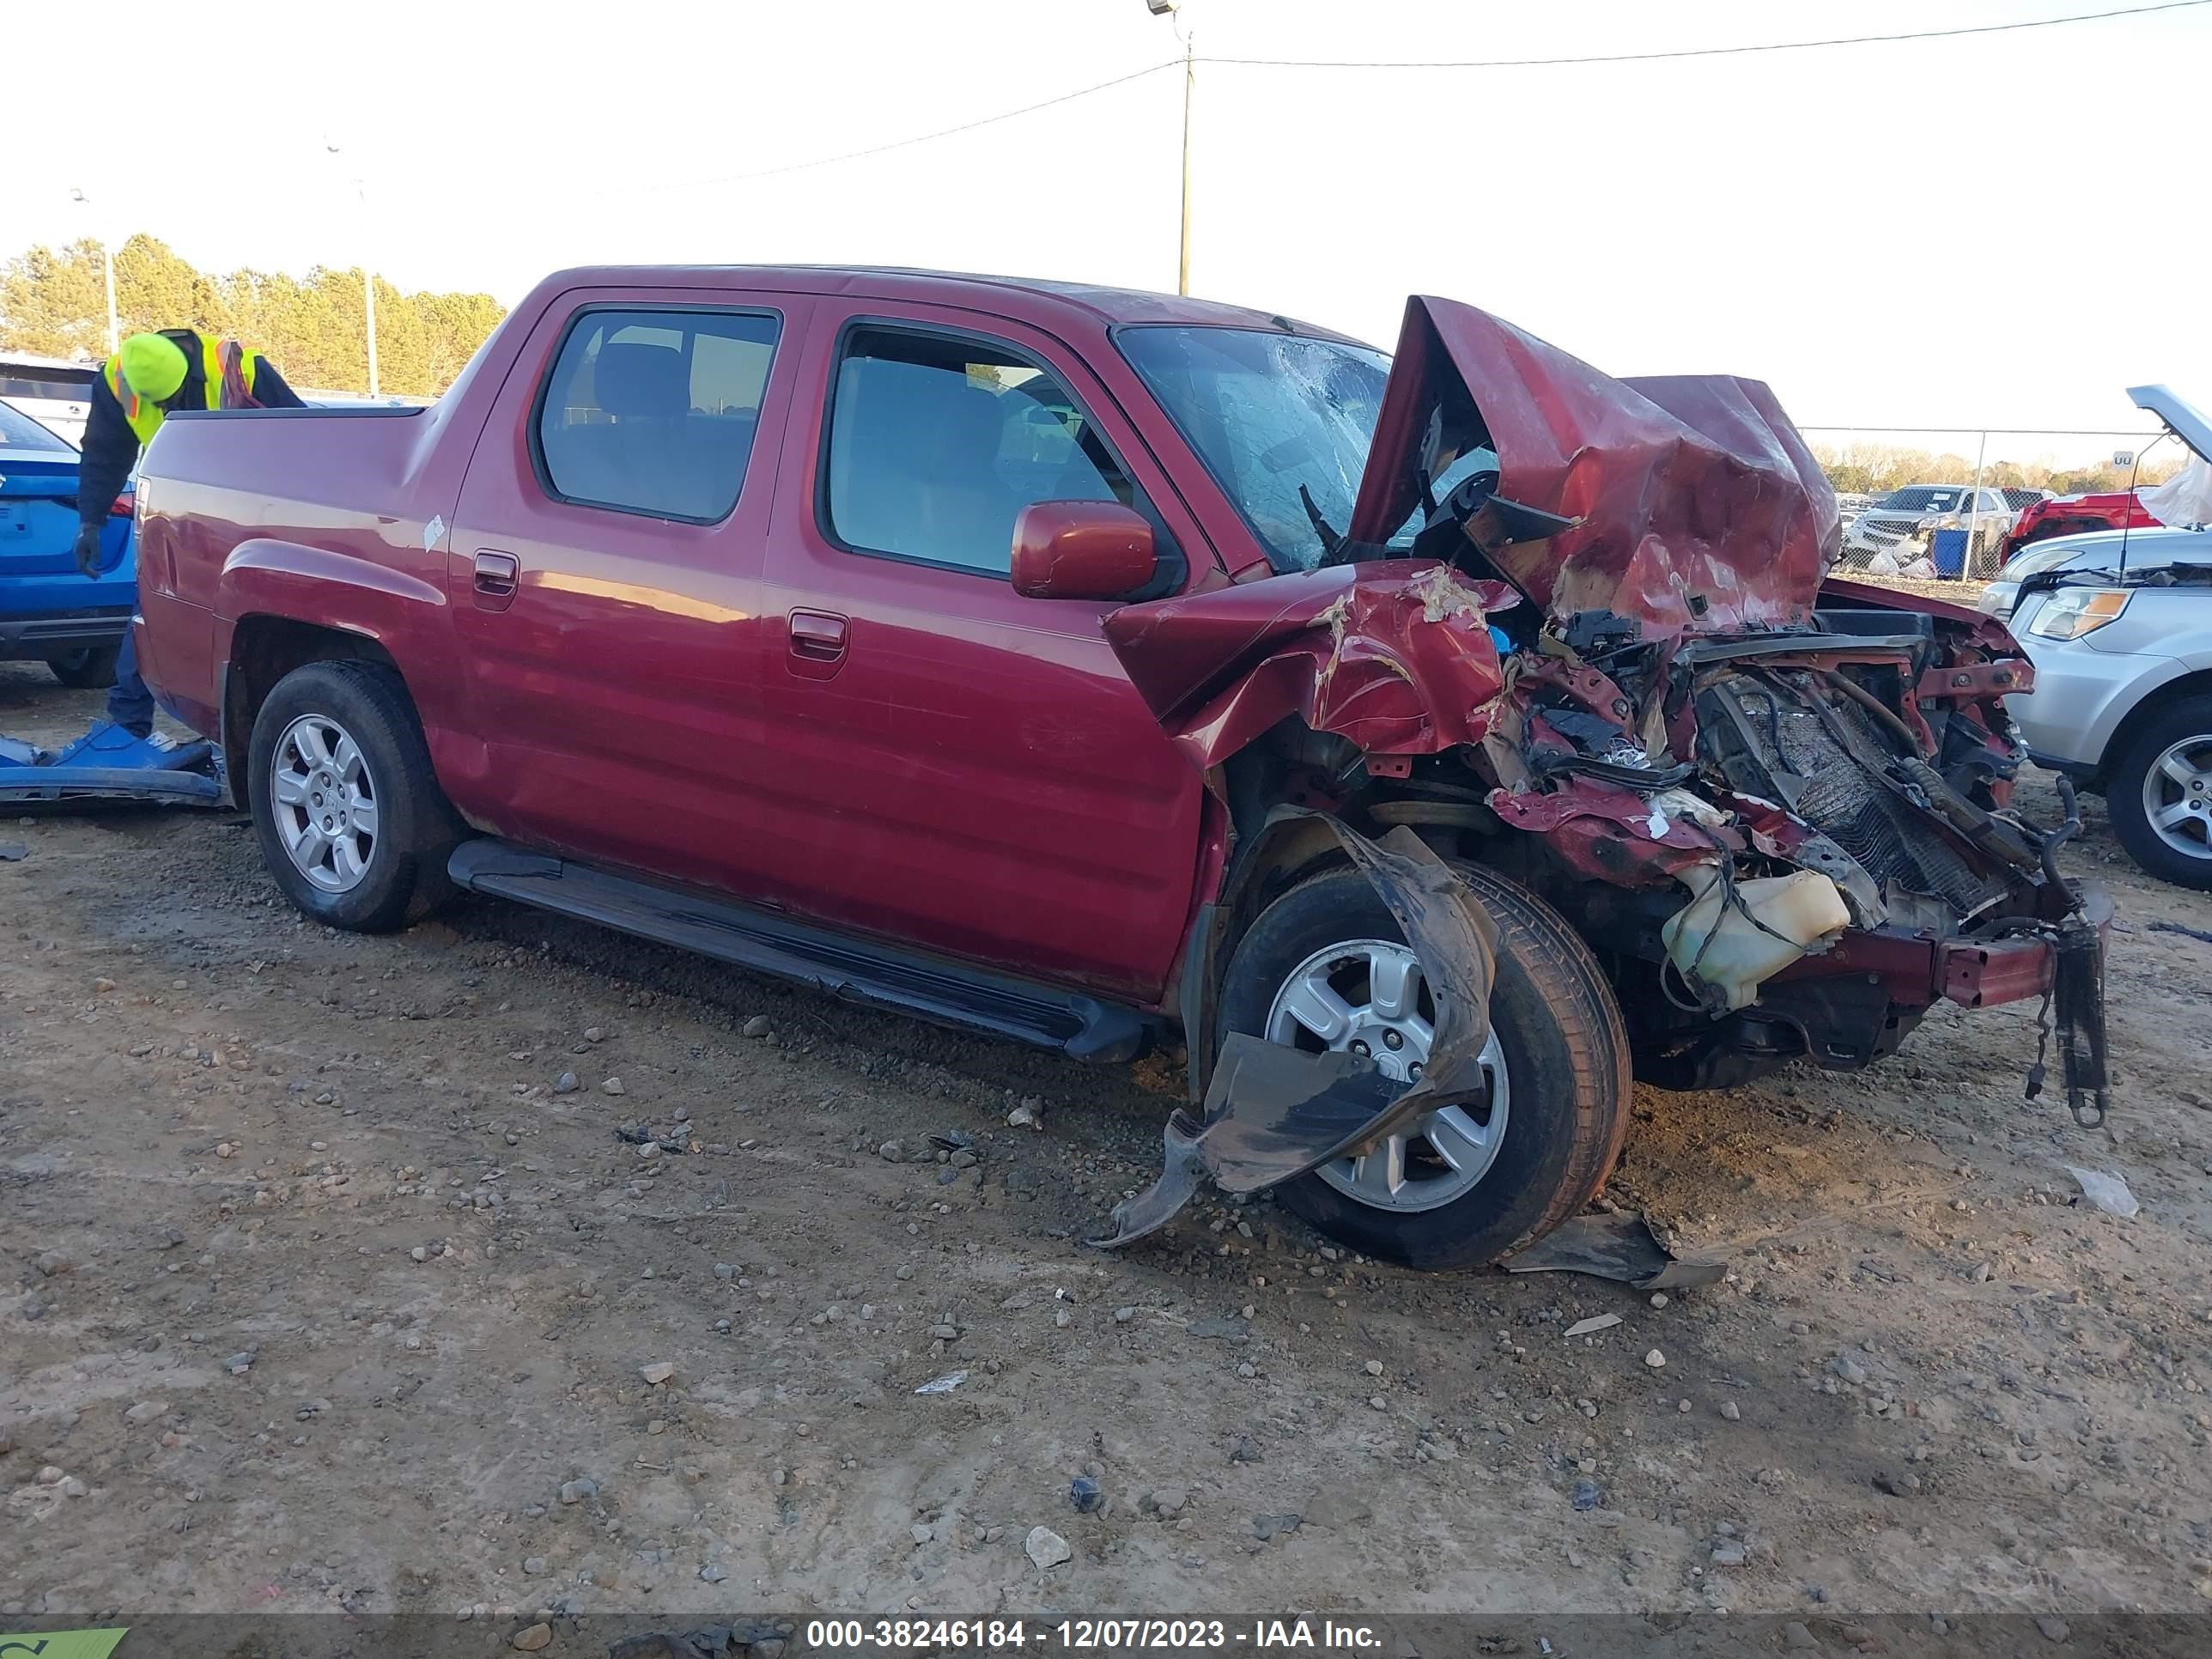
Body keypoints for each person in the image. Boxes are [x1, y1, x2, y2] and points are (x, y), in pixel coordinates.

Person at [76, 329, 305, 736]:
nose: (164, 410)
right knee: (150, 608)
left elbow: (307, 436)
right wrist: (90, 521)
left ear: (187, 378)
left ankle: (245, 728)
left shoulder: (239, 367)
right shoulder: (115, 381)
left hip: (250, 513)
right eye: (157, 404)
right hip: (179, 507)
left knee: (240, 622)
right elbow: (104, 454)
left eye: (172, 401)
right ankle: (127, 729)